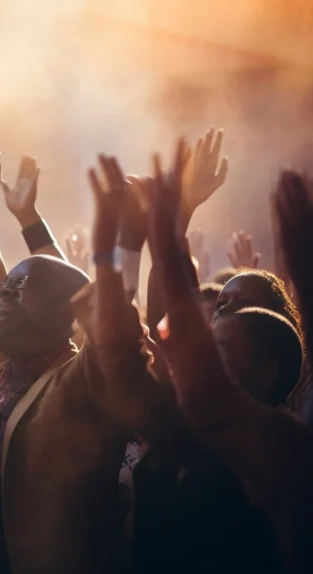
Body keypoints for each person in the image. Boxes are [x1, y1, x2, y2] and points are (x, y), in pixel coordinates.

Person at [0, 129, 181, 573]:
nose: (1, 296)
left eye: (20, 288)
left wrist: (124, 240)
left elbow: (115, 336)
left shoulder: (81, 385)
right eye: (4, 288)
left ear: (67, 314)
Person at [130, 150, 313, 573]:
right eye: (221, 304)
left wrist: (165, 231)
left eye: (242, 306)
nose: (222, 315)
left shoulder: (280, 442)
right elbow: (171, 317)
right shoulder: (179, 411)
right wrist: (176, 222)